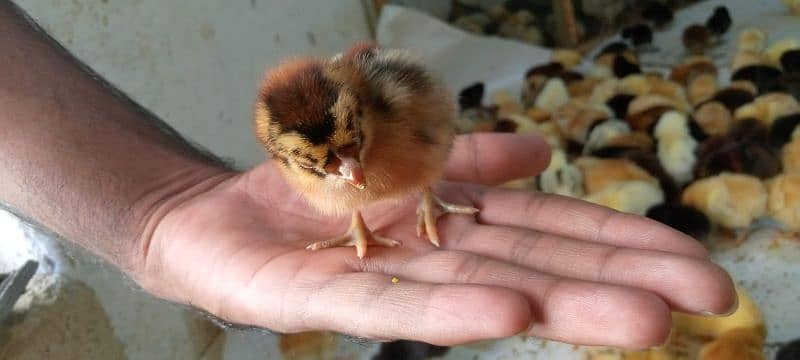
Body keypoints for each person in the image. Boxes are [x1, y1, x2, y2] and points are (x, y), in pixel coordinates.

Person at [0, 2, 735, 347]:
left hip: (412, 166)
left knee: (403, 178)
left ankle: (414, 201)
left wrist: (424, 192)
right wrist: (153, 217)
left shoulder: (391, 116)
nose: (345, 166)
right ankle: (365, 215)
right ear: (283, 155)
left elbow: (430, 129)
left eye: (348, 144)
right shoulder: (312, 155)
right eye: (320, 164)